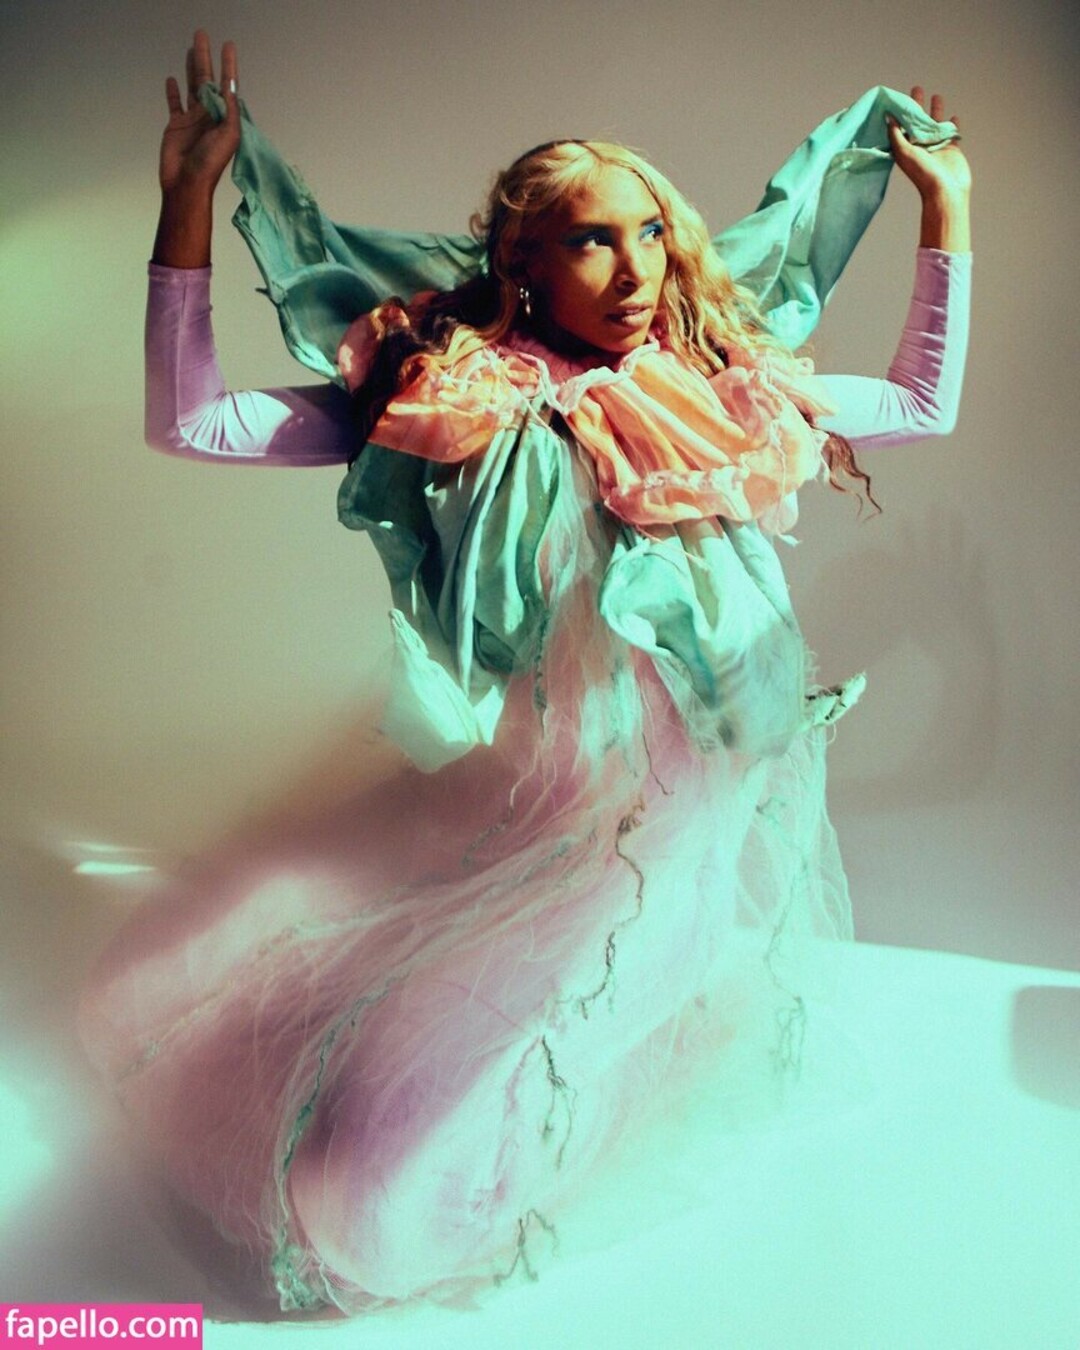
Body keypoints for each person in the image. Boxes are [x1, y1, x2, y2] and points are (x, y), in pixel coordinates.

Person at [82, 31, 971, 1314]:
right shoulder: (450, 395)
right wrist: (188, 200)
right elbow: (194, 421)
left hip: (664, 846)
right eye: (592, 239)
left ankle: (640, 1031)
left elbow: (923, 402)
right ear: (521, 261)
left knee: (370, 1221)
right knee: (156, 998)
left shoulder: (715, 391)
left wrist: (946, 209)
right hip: (519, 811)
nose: (636, 267)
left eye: (650, 232)